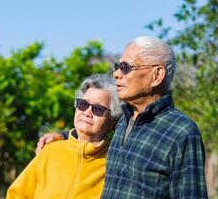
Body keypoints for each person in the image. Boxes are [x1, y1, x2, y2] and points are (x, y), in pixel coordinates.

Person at [36, 36, 208, 198]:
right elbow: (93, 125)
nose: (116, 74)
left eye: (126, 67)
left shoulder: (181, 132)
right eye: (117, 67)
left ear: (157, 75)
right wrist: (63, 136)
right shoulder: (123, 119)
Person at [6, 74, 122, 199]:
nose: (87, 113)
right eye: (83, 104)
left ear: (112, 120)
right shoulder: (50, 151)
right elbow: (17, 194)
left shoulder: (114, 163)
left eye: (98, 109)